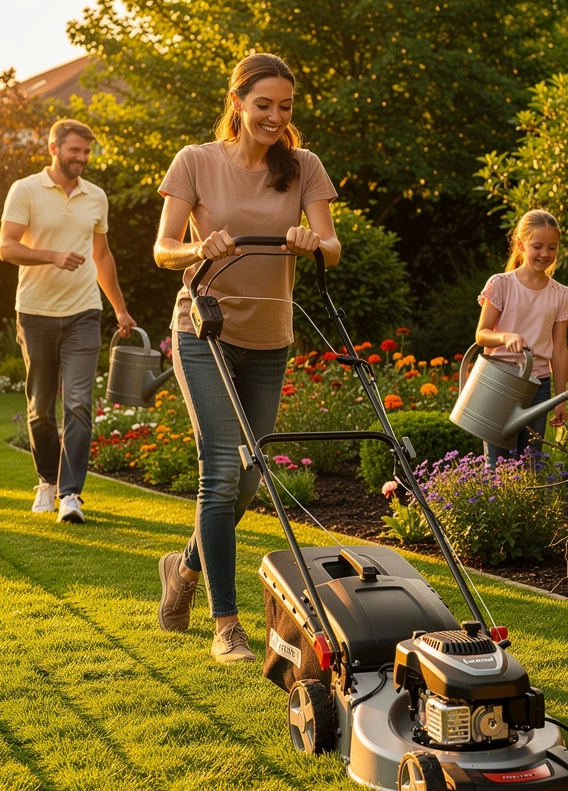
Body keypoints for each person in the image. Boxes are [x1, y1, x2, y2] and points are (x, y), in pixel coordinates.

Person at [153, 53, 340, 663]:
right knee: (221, 471)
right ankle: (225, 625)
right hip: (203, 330)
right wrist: (195, 248)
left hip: (270, 338)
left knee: (251, 476)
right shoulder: (196, 162)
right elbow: (161, 250)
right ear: (238, 103)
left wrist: (316, 241)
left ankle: (182, 568)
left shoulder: (304, 167)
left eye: (285, 107)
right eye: (264, 105)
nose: (275, 116)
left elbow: (332, 246)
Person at [0, 118, 136, 523]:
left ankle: (72, 494)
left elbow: (102, 256)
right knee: (41, 408)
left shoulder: (96, 196)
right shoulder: (25, 190)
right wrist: (52, 256)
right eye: (75, 150)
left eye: (87, 151)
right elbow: (6, 247)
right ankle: (47, 480)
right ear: (54, 149)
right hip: (36, 312)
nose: (82, 158)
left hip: (84, 312)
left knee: (78, 403)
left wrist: (120, 307)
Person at [474, 209, 568, 468]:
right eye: (537, 246)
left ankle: (528, 509)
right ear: (520, 245)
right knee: (498, 464)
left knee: (532, 461)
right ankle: (499, 508)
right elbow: (482, 335)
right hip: (500, 380)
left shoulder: (561, 294)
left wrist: (561, 396)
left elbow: (560, 350)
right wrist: (505, 337)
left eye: (552, 247)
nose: (545, 253)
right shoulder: (501, 284)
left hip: (538, 385)